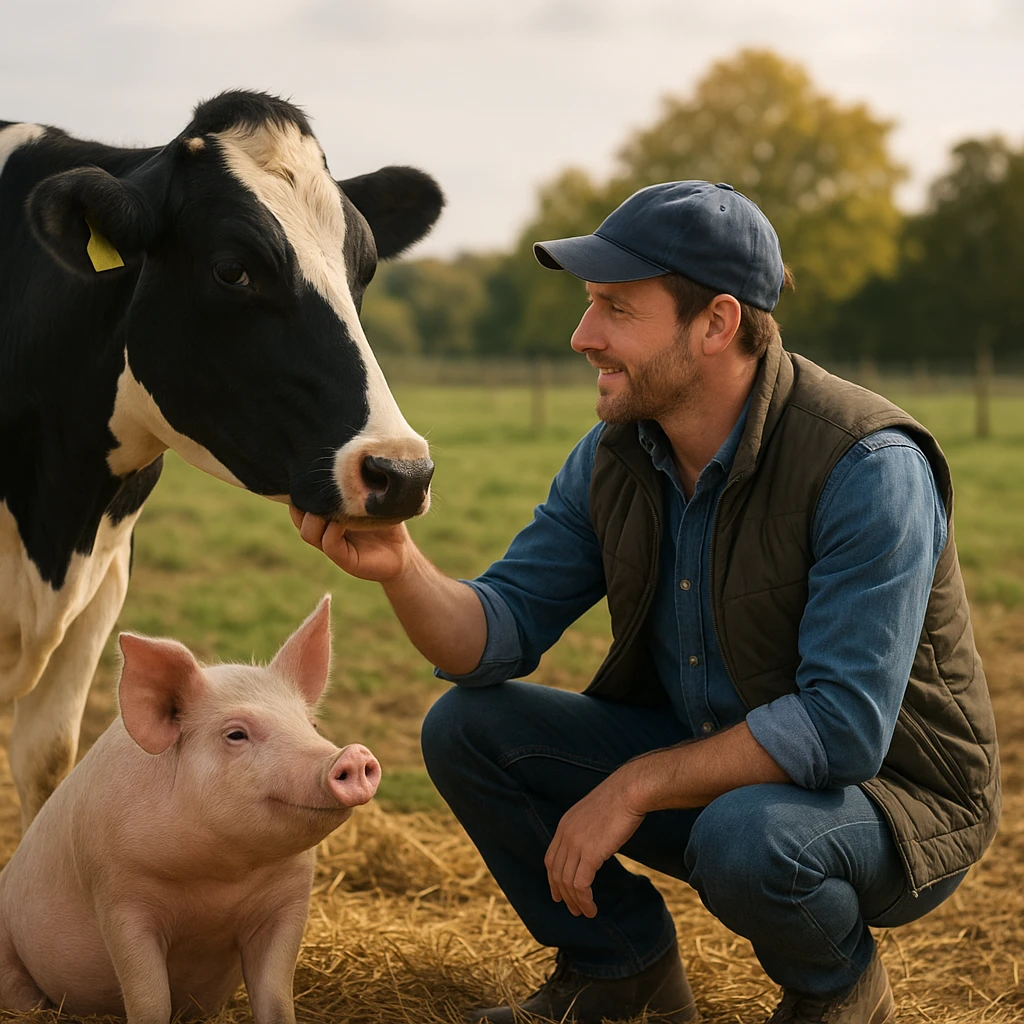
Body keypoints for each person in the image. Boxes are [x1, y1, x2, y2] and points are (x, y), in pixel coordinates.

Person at [292, 181, 1000, 1024]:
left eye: (617, 309)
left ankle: (837, 987)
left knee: (748, 839)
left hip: (893, 800)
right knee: (468, 727)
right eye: (590, 303)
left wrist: (633, 787)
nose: (582, 335)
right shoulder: (614, 455)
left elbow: (841, 728)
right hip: (716, 758)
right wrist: (401, 566)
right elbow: (494, 635)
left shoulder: (868, 466)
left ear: (716, 324)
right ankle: (620, 968)